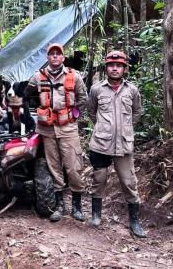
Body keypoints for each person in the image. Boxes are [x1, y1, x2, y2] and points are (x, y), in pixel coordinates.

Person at [25, 43, 88, 222]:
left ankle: (76, 206)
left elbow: (83, 98)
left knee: (73, 166)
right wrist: (35, 113)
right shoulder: (38, 77)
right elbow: (27, 94)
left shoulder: (74, 76)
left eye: (57, 54)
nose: (54, 57)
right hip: (47, 129)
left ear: (63, 57)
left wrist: (73, 114)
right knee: (53, 166)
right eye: (51, 54)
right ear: (47, 57)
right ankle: (59, 206)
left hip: (68, 127)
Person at [87, 50, 146, 238]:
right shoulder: (96, 89)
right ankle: (96, 215)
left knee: (129, 182)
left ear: (124, 69)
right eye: (111, 65)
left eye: (118, 65)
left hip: (124, 145)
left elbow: (137, 113)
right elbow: (91, 111)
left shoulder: (132, 90)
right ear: (106, 68)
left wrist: (125, 129)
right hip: (100, 144)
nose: (114, 68)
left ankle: (134, 222)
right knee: (99, 179)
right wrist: (104, 129)